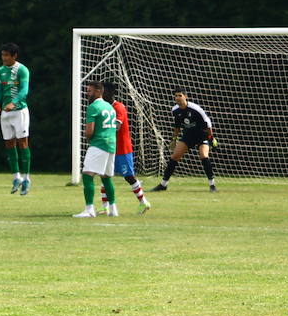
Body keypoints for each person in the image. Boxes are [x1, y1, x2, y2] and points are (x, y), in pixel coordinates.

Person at [152, 89, 219, 192]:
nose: (177, 98)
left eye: (180, 95)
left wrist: (211, 138)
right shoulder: (175, 110)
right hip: (188, 136)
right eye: (176, 96)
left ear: (185, 97)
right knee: (174, 157)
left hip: (201, 135)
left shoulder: (195, 109)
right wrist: (174, 140)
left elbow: (207, 122)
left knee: (204, 156)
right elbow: (177, 126)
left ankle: (212, 185)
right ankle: (163, 185)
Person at [101, 83, 151, 214]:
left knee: (129, 176)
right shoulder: (106, 107)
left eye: (103, 91)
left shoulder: (118, 107)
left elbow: (116, 126)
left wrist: (99, 131)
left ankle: (143, 202)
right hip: (110, 147)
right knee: (104, 175)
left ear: (110, 93)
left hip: (122, 149)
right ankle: (104, 207)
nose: (101, 93)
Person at [76, 80, 119, 218]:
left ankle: (89, 209)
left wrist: (89, 138)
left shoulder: (93, 107)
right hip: (111, 145)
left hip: (99, 144)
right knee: (106, 178)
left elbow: (89, 132)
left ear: (99, 91)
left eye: (90, 91)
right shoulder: (109, 107)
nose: (87, 93)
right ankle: (113, 209)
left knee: (87, 175)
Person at [0, 43, 32, 195]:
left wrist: (14, 103)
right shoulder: (0, 71)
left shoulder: (22, 69)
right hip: (5, 113)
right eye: (2, 55)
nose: (4, 58)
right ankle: (16, 177)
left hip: (19, 111)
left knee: (23, 143)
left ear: (14, 56)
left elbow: (24, 90)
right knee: (9, 144)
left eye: (7, 55)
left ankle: (27, 178)